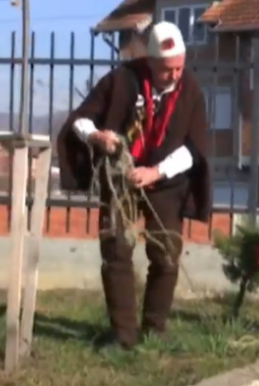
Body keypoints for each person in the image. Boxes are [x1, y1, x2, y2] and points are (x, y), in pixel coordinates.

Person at [57, 22, 212, 350]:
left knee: (166, 252)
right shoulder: (122, 80)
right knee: (115, 250)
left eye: (180, 67)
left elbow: (193, 148)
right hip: (121, 180)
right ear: (151, 62)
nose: (175, 75)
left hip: (167, 181)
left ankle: (155, 329)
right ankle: (123, 335)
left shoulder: (191, 90)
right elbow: (80, 120)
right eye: (168, 69)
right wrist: (96, 136)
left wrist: (156, 172)